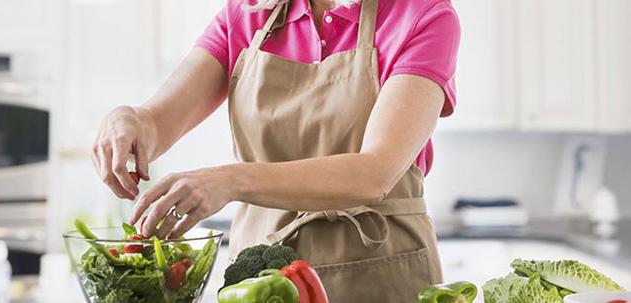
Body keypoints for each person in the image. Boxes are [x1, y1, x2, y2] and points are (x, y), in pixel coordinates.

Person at [92, 0, 460, 301]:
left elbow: (375, 172)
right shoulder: (249, 13)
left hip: (382, 270)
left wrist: (230, 180)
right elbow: (157, 123)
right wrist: (127, 120)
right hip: (261, 276)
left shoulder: (423, 16)